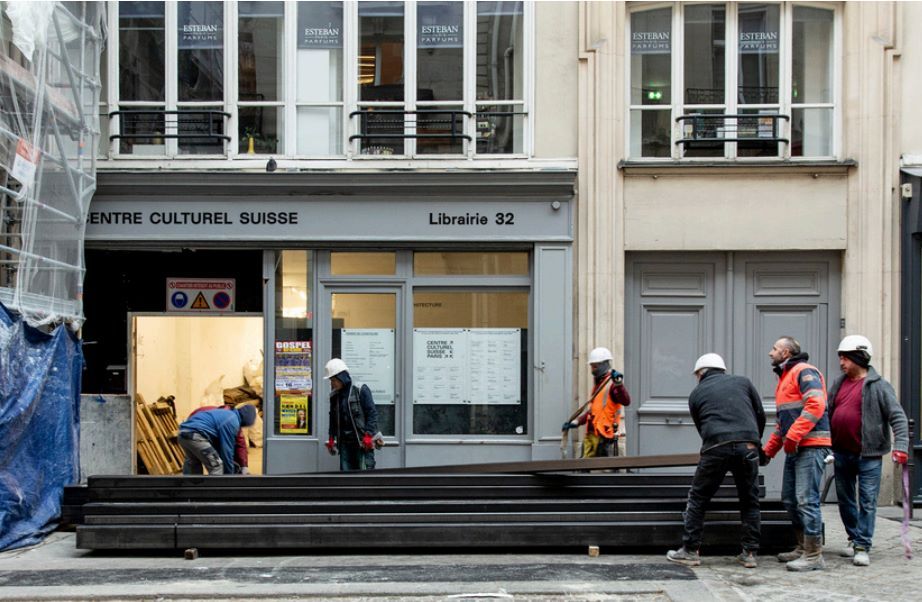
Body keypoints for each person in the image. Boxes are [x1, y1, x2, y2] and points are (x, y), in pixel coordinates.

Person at [666, 353, 766, 568]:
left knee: (698, 498)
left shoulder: (696, 393)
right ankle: (749, 553)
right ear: (722, 370)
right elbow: (760, 415)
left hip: (716, 446)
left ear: (700, 374)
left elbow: (701, 426)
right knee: (749, 499)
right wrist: (753, 441)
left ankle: (690, 550)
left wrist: (714, 444)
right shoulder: (744, 382)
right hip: (747, 445)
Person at [828, 335, 909, 567]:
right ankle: (854, 538)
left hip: (869, 456)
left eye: (845, 358)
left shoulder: (879, 386)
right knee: (845, 500)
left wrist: (901, 446)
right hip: (841, 453)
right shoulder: (838, 383)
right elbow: (827, 412)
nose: (841, 362)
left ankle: (863, 545)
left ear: (859, 358)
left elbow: (898, 417)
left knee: (867, 501)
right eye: (840, 358)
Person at [761, 336, 832, 571]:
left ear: (787, 353)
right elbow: (783, 423)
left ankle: (814, 555)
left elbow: (816, 405)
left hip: (810, 446)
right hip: (797, 446)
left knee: (806, 499)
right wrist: (768, 452)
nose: (770, 353)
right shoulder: (784, 377)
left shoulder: (804, 371)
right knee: (790, 499)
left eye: (775, 348)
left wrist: (793, 436)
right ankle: (802, 547)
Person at [562, 347, 631, 458]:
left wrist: (619, 385)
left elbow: (626, 401)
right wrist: (576, 422)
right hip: (593, 438)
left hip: (606, 439)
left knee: (605, 467)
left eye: (595, 366)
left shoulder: (612, 384)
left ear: (604, 365)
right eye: (591, 366)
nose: (592, 370)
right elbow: (593, 411)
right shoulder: (599, 385)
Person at [325, 358, 381, 471]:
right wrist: (331, 438)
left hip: (362, 443)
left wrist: (368, 435)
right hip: (345, 444)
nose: (332, 384)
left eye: (333, 380)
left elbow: (372, 414)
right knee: (346, 478)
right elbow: (333, 418)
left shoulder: (360, 390)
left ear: (341, 377)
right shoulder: (334, 396)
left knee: (364, 477)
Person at [178, 404, 257, 475]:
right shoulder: (232, 421)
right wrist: (229, 477)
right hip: (197, 436)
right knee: (216, 465)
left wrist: (243, 465)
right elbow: (227, 451)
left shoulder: (224, 413)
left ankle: (191, 486)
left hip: (183, 433)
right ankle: (216, 487)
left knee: (193, 463)